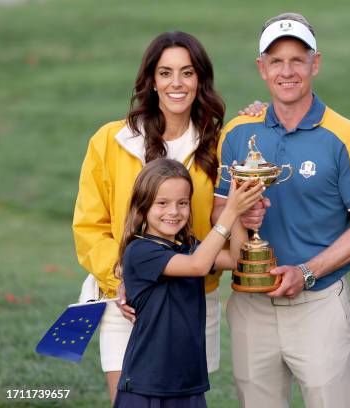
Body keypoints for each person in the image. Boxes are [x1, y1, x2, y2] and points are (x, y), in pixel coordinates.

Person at [213, 12, 350, 408]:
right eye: (276, 61)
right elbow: (218, 211)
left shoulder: (344, 135)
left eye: (297, 59)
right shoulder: (238, 132)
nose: (287, 71)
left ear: (315, 64)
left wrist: (306, 272)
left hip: (318, 304)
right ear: (262, 68)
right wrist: (241, 218)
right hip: (251, 303)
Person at [72, 31, 226, 403]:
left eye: (187, 73)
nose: (177, 83)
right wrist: (123, 280)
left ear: (200, 81)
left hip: (191, 306)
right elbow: (89, 226)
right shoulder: (110, 141)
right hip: (127, 307)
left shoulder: (219, 145)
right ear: (151, 81)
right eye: (166, 72)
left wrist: (255, 117)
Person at [112, 158, 263, 407]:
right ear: (142, 208)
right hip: (147, 383)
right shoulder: (140, 251)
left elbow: (237, 258)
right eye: (162, 203)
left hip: (188, 381)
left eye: (182, 203)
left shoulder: (189, 246)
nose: (174, 211)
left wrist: (237, 212)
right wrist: (229, 213)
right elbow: (198, 266)